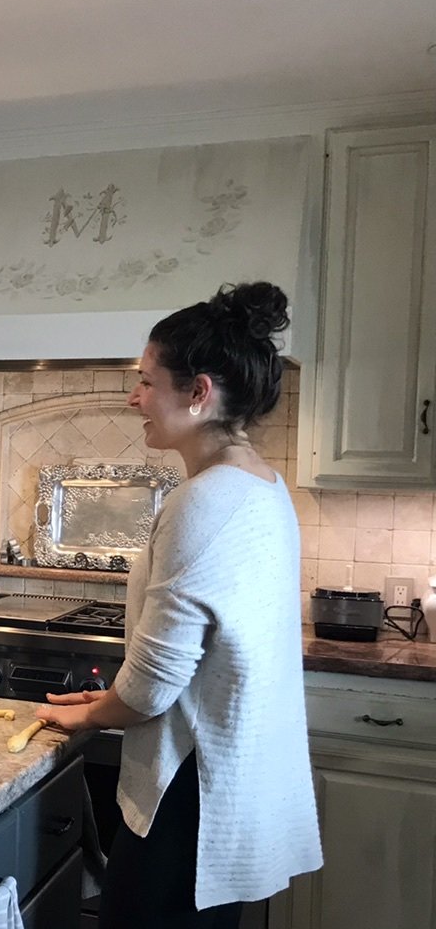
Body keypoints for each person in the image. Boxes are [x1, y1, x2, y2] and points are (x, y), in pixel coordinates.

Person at [35, 282, 322, 928]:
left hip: (189, 795)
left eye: (146, 381)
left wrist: (91, 715)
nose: (133, 397)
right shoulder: (263, 486)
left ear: (199, 392)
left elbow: (152, 689)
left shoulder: (203, 503)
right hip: (228, 779)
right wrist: (108, 700)